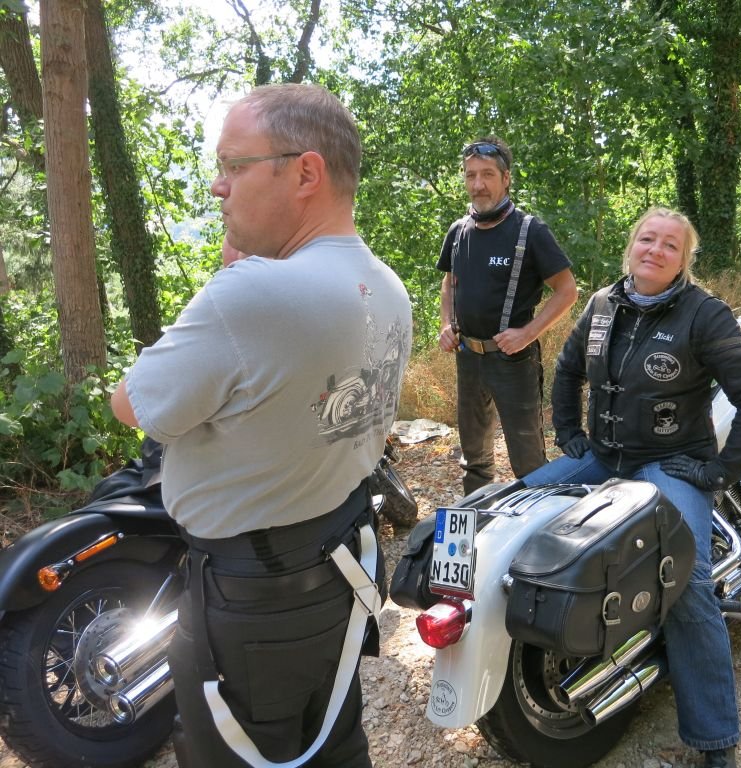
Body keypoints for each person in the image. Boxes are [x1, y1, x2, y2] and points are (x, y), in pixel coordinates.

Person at [111, 83, 412, 768]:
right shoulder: (386, 285)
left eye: (233, 165)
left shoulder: (251, 293)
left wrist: (228, 286)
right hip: (335, 570)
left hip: (248, 602)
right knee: (333, 744)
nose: (219, 186)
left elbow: (132, 405)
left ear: (305, 173)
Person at [522, 207, 741, 768]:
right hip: (601, 458)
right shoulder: (600, 305)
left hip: (670, 465)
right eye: (647, 239)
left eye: (670, 245)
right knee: (514, 507)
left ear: (684, 260)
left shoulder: (704, 314)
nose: (655, 250)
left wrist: (718, 472)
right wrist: (569, 434)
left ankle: (715, 739)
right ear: (631, 246)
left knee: (686, 578)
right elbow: (567, 371)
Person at [437, 136, 577, 495]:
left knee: (528, 461)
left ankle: (538, 517)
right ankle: (478, 514)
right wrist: (446, 324)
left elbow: (567, 290)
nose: (478, 185)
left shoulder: (530, 231)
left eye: (487, 175)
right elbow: (449, 283)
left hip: (513, 361)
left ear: (506, 178)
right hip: (468, 357)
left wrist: (528, 333)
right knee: (474, 458)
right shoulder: (458, 232)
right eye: (470, 175)